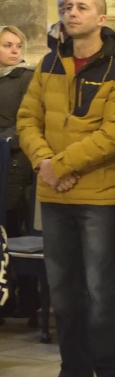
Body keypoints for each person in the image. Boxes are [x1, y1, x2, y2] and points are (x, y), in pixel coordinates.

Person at [17, 0, 115, 377]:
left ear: (102, 19)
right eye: (68, 7)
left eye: (82, 7)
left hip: (99, 195)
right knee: (64, 290)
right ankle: (74, 371)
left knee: (101, 290)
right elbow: (27, 119)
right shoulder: (49, 63)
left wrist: (61, 165)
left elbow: (114, 133)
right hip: (54, 192)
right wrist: (45, 163)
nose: (72, 13)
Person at [0, 25, 34, 237]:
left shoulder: (26, 77)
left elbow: (26, 120)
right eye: (7, 45)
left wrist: (3, 141)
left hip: (13, 158)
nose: (15, 51)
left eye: (18, 46)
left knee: (10, 223)